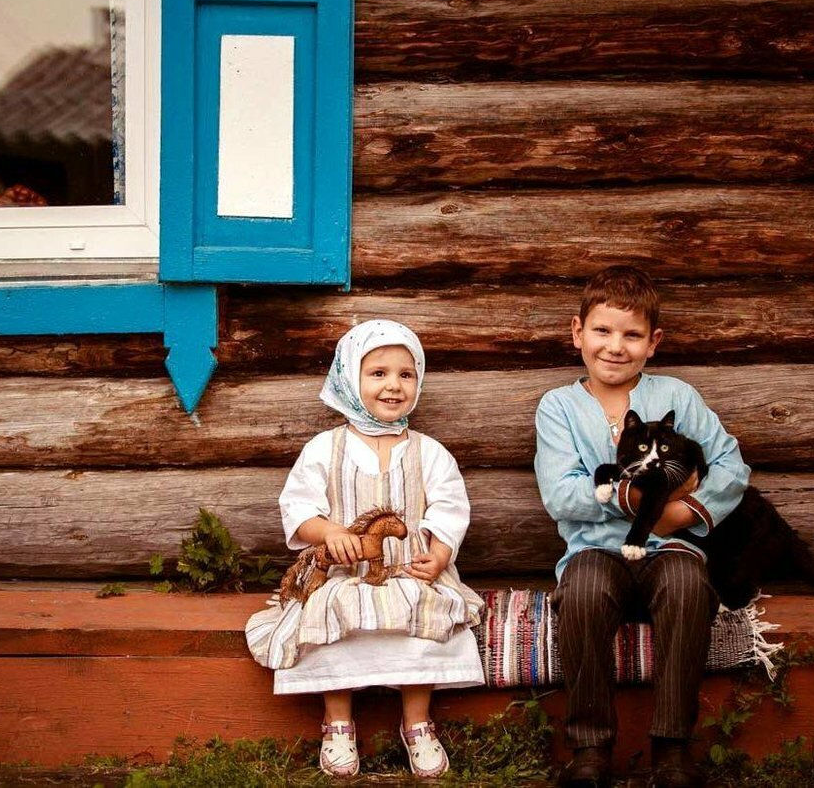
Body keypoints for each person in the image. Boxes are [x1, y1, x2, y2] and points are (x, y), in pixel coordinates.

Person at [534, 266, 750, 788]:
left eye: (631, 335)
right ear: (577, 332)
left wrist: (682, 512)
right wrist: (642, 502)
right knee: (582, 590)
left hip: (670, 548)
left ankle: (672, 749)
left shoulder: (677, 396)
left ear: (653, 343)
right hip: (593, 551)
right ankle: (589, 747)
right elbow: (561, 494)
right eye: (602, 331)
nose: (615, 347)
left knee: (688, 586)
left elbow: (730, 465)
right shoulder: (559, 407)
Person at [246, 320, 484, 778]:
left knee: (424, 612)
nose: (393, 385)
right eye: (377, 373)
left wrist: (439, 554)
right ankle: (338, 719)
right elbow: (297, 506)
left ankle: (416, 721)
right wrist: (328, 532)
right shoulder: (324, 448)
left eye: (406, 374)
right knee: (330, 612)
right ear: (348, 378)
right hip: (345, 572)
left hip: (410, 570)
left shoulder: (429, 452)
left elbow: (451, 507)